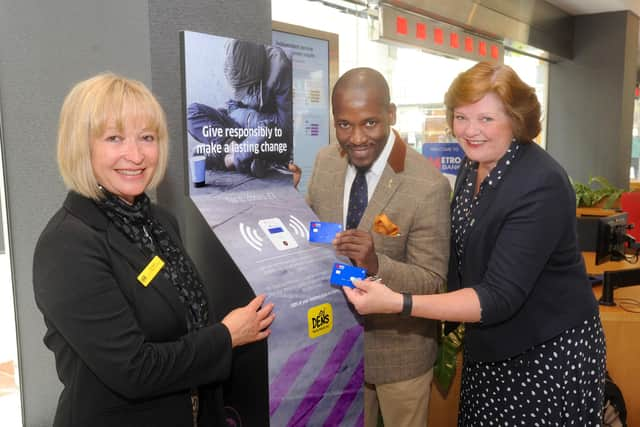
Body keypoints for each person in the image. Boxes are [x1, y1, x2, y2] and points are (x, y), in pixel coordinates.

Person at [343, 62, 606, 425]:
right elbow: (461, 255)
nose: (470, 131)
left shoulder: (540, 183)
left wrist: (398, 302)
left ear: (516, 119)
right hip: (489, 348)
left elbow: (498, 296)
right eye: (461, 117)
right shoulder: (473, 167)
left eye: (485, 119)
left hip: (543, 355)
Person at [33, 73, 275, 427]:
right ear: (80, 146)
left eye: (147, 137)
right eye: (114, 138)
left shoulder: (159, 221)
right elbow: (134, 369)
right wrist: (226, 335)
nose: (136, 154)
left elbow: (179, 322)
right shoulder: (67, 244)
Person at [307, 67, 451, 427]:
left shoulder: (427, 185)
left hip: (398, 354)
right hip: (334, 348)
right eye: (344, 125)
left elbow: (432, 280)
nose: (356, 137)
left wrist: (375, 263)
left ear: (391, 114)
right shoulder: (325, 162)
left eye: (369, 123)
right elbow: (315, 239)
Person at [187, 39, 292, 178]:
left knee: (267, 130)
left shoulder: (280, 67)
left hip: (268, 136)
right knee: (191, 112)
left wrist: (245, 117)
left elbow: (283, 127)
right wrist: (232, 140)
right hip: (241, 134)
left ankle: (225, 160)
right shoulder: (234, 64)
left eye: (246, 88)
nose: (243, 93)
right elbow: (231, 106)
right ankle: (239, 156)